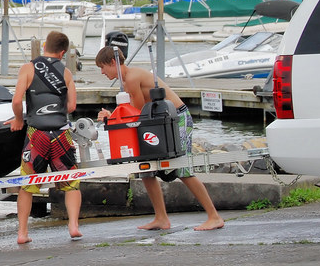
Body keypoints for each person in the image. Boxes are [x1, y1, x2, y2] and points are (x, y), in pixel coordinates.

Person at [94, 46, 225, 232]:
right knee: (145, 169)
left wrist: (111, 117)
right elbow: (136, 113)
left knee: (182, 168)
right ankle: (161, 218)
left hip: (177, 118)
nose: (101, 72)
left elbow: (136, 115)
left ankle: (214, 216)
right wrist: (113, 115)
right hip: (158, 121)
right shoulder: (127, 80)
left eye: (103, 67)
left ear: (113, 62)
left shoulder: (131, 79)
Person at [6, 30, 81, 244]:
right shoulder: (66, 73)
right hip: (60, 134)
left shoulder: (28, 68)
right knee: (71, 183)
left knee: (28, 184)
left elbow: (17, 101)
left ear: (45, 45)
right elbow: (72, 106)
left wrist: (19, 120)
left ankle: (22, 233)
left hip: (36, 134)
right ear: (63, 52)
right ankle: (74, 226)